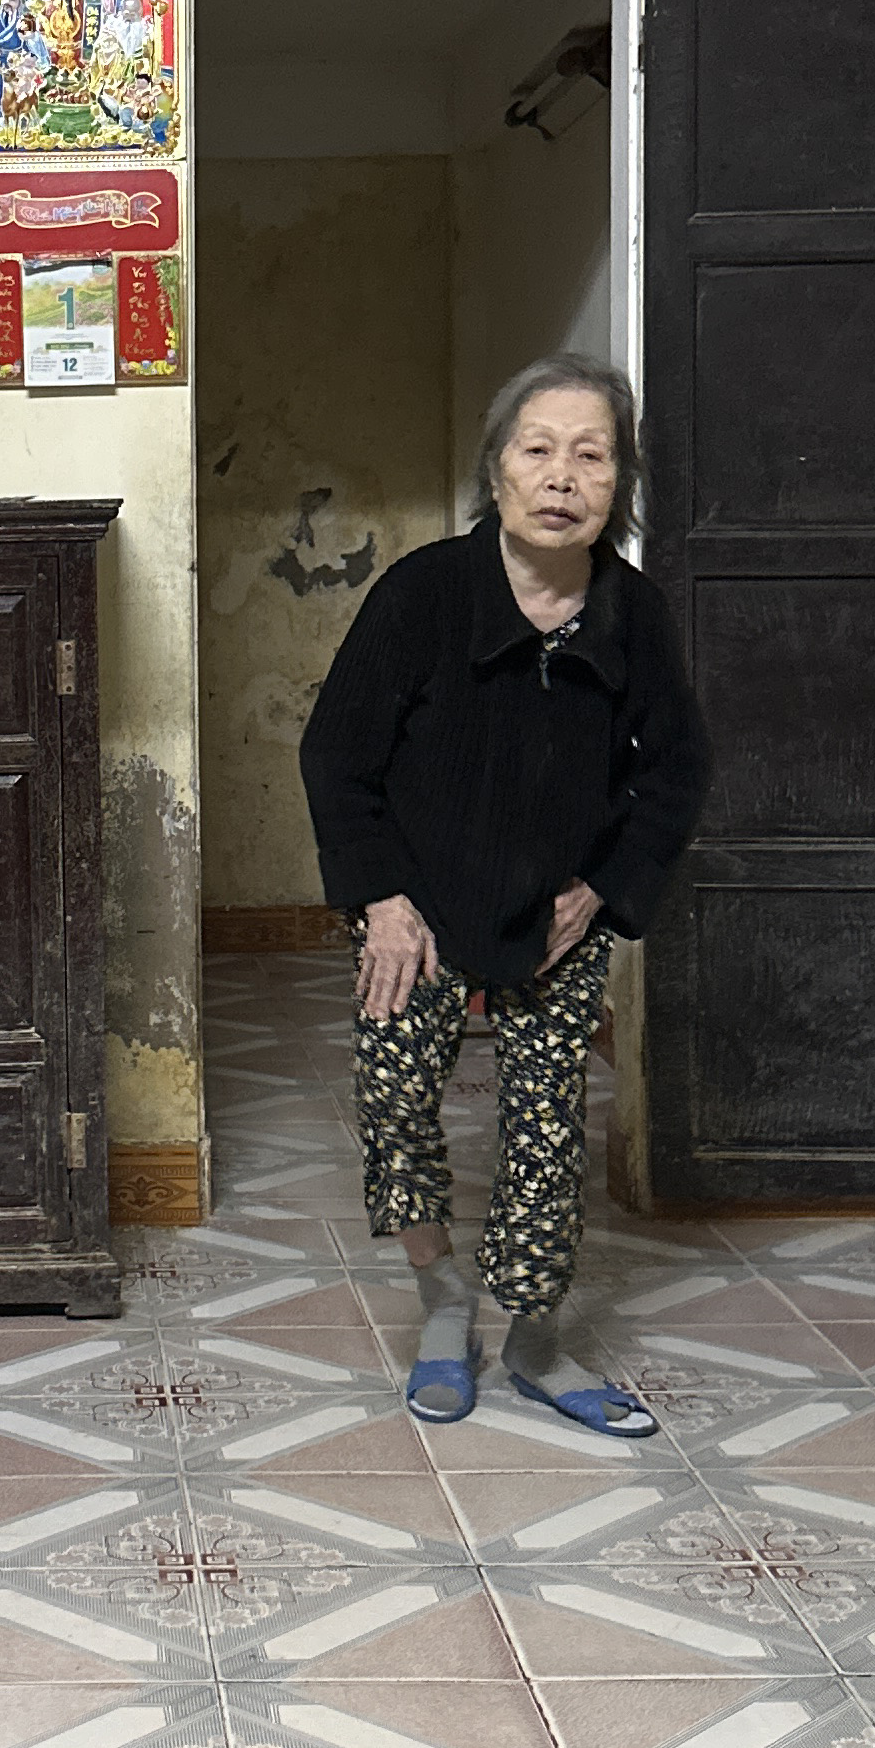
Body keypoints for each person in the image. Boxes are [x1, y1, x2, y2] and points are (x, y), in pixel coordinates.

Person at [299, 358, 710, 1432]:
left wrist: (604, 891)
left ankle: (535, 1340)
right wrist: (382, 901)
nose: (562, 477)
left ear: (619, 484)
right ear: (497, 471)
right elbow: (337, 755)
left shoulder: (634, 616)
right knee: (394, 1097)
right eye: (538, 449)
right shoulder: (424, 593)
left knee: (546, 1129)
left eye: (592, 455)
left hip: (557, 914)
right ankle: (443, 1299)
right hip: (419, 906)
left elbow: (677, 773)